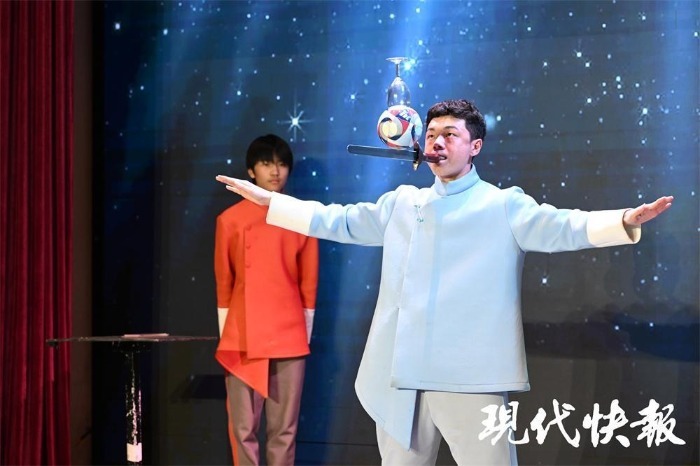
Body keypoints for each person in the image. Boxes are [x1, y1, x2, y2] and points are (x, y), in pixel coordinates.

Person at [215, 100, 673, 466]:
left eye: (450, 134)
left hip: (470, 375)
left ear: (475, 147)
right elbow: (338, 220)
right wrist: (270, 203)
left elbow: (562, 226)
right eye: (432, 134)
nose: (437, 142)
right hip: (401, 372)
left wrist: (623, 220)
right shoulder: (402, 202)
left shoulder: (502, 205)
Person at [214, 134, 319, 466]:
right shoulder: (230, 219)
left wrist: (303, 333)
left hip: (289, 334)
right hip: (242, 334)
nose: (275, 171)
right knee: (242, 429)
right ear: (251, 170)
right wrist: (226, 332)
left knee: (284, 430)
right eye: (266, 163)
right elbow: (224, 282)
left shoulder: (301, 217)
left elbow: (309, 284)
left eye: (282, 163)